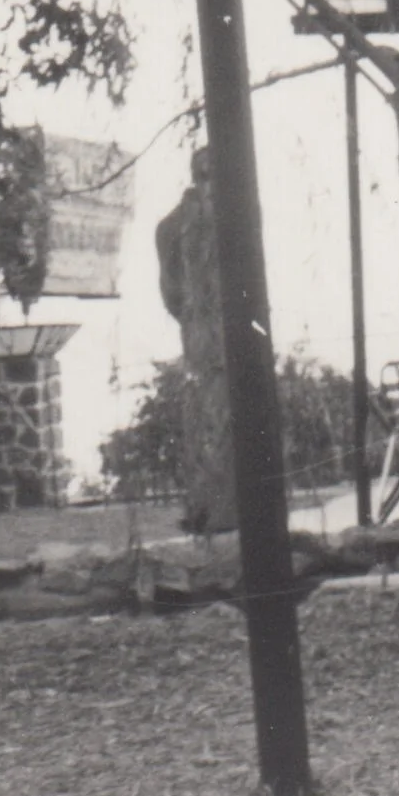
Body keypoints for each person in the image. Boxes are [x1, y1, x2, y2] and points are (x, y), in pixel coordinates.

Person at [154, 148, 234, 535]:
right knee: (210, 418)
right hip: (207, 338)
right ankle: (210, 510)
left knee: (218, 420)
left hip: (216, 335)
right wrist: (196, 317)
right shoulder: (175, 226)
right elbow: (170, 290)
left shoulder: (178, 224)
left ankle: (218, 508)